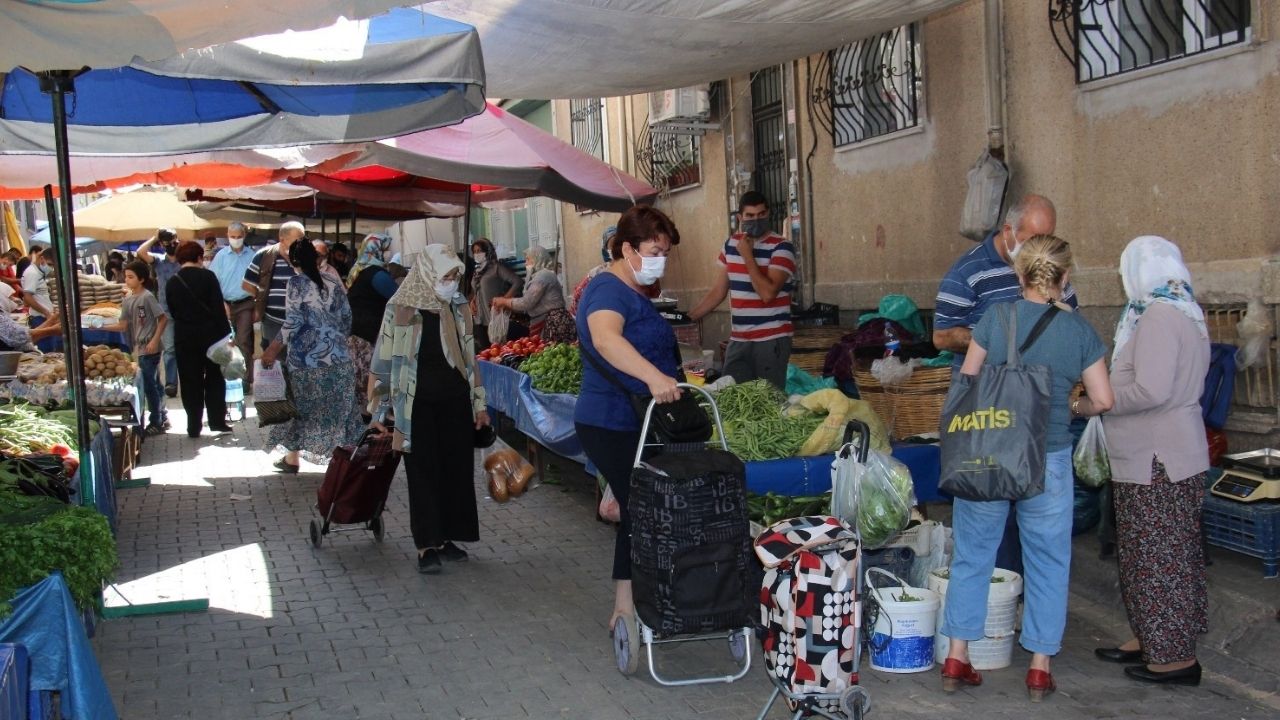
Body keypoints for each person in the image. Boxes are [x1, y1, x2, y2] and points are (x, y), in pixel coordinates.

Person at [940, 235, 1113, 703]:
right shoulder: (1079, 331)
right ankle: (1039, 668)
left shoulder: (995, 318)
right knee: (1049, 561)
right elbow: (1103, 400)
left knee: (973, 553)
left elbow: (968, 383)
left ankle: (957, 656)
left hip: (989, 452)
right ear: (1065, 277)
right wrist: (1072, 407)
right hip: (1048, 457)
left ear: (1020, 276)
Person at [932, 194, 1074, 576]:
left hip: (1037, 412)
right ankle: (998, 588)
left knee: (1033, 511)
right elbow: (941, 336)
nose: (1040, 247)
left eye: (1048, 238)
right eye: (1032, 238)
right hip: (987, 411)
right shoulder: (968, 270)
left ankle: (1016, 587)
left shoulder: (1053, 269)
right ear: (1009, 231)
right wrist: (998, 340)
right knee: (989, 509)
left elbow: (1069, 324)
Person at [1093, 236, 1210, 687]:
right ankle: (1151, 638)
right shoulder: (1179, 308)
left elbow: (1152, 390)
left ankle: (1174, 659)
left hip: (1158, 459)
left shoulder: (1160, 316)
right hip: (1160, 455)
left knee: (1161, 560)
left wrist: (1096, 403)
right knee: (1152, 556)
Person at [573, 205, 682, 631]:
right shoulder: (607, 290)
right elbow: (605, 339)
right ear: (627, 249)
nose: (661, 261)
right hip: (611, 421)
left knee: (643, 507)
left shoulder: (635, 290)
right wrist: (655, 377)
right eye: (654, 251)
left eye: (665, 253)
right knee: (640, 509)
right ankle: (624, 608)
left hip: (638, 421)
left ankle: (640, 600)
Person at [368, 244, 489, 574]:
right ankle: (426, 546)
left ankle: (447, 537)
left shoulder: (456, 305)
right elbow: (383, 360)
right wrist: (378, 411)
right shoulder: (401, 307)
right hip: (415, 404)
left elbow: (469, 357)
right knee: (423, 473)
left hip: (454, 399)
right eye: (445, 277)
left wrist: (479, 404)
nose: (450, 283)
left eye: (454, 277)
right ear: (427, 273)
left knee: (455, 470)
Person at [260, 239, 363, 473]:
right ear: (316, 258)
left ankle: (292, 459)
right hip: (339, 358)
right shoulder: (332, 280)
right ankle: (343, 462)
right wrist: (336, 340)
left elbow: (293, 321)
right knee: (341, 411)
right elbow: (347, 316)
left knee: (302, 410)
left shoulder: (296, 283)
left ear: (293, 261)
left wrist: (272, 349)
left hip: (306, 362)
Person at [688, 190, 796, 390]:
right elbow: (718, 292)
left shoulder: (782, 247)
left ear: (768, 213)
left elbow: (767, 294)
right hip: (739, 340)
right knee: (732, 397)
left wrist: (747, 255)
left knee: (769, 400)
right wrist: (689, 318)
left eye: (761, 214)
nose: (756, 220)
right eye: (750, 216)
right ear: (740, 218)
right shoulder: (730, 245)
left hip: (771, 340)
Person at [164, 241, 233, 438]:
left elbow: (172, 311)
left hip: (184, 337)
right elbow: (218, 308)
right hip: (212, 336)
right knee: (215, 378)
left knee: (189, 381)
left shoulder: (173, 281)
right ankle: (217, 421)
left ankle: (193, 425)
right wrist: (227, 334)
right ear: (199, 257)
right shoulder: (208, 277)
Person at [101, 261, 169, 434]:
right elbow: (122, 325)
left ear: (142, 279)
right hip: (139, 348)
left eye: (131, 277)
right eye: (126, 277)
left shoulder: (147, 297)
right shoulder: (128, 300)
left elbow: (163, 319)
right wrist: (100, 326)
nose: (127, 280)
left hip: (150, 348)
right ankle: (162, 416)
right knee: (154, 384)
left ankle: (156, 421)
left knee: (149, 386)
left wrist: (154, 340)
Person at [346, 235, 399, 417]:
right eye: (386, 249)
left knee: (361, 376)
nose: (389, 253)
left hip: (357, 332)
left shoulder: (359, 270)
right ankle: (373, 415)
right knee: (372, 374)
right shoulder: (376, 274)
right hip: (368, 333)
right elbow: (398, 297)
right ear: (376, 250)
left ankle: (366, 414)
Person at [209, 222, 258, 393]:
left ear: (244, 236)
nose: (236, 239)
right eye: (232, 236)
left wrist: (257, 307)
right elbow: (213, 282)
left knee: (244, 340)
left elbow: (258, 283)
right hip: (224, 303)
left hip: (245, 303)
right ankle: (227, 377)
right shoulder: (221, 256)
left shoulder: (252, 256)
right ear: (227, 235)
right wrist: (221, 303)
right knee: (225, 341)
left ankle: (245, 378)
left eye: (239, 237)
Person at [243, 221, 303, 358]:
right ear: (282, 239)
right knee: (276, 361)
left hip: (299, 321)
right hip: (273, 320)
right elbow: (247, 284)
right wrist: (261, 297)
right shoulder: (265, 255)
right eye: (297, 240)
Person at [490, 245, 574, 343]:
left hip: (553, 324)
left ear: (537, 259)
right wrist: (507, 306)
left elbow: (526, 302)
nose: (526, 263)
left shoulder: (543, 276)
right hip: (546, 321)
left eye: (528, 259)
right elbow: (528, 306)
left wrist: (504, 301)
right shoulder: (539, 276)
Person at [138, 229, 182, 398]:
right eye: (167, 243)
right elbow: (141, 252)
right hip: (166, 312)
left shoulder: (185, 261)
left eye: (173, 242)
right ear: (162, 245)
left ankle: (189, 380)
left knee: (186, 348)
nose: (171, 246)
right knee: (170, 349)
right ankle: (171, 383)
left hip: (185, 311)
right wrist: (155, 237)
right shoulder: (158, 262)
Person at [467, 238, 522, 349]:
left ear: (487, 251)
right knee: (485, 351)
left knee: (498, 350)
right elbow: (477, 289)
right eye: (474, 251)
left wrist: (504, 300)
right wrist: (473, 301)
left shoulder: (496, 268)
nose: (477, 254)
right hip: (479, 318)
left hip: (494, 317)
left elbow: (517, 282)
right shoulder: (477, 270)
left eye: (479, 251)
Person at [20, 247, 55, 326]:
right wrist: (46, 313)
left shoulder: (38, 272)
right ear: (42, 259)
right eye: (49, 264)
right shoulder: (32, 273)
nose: (51, 268)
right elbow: (28, 297)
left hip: (44, 316)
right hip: (39, 318)